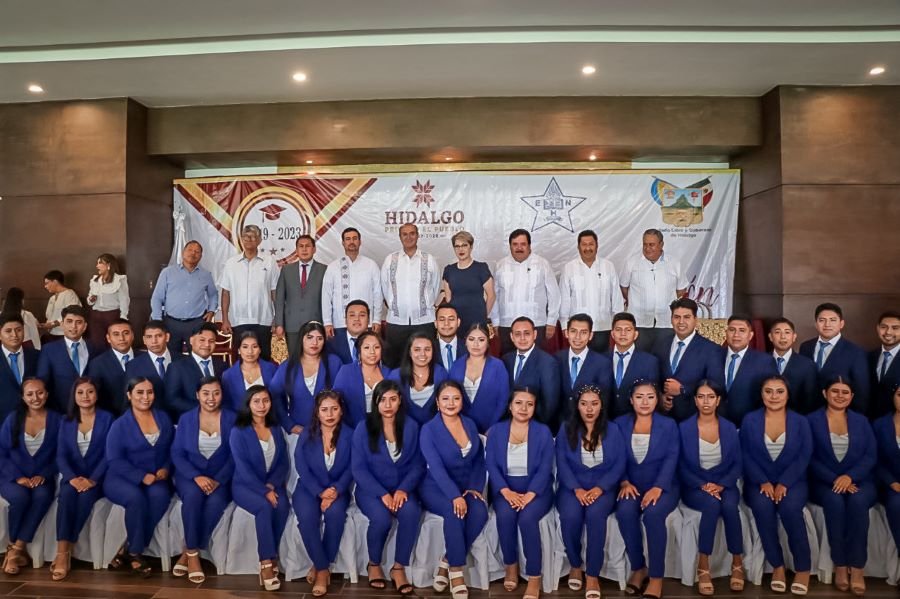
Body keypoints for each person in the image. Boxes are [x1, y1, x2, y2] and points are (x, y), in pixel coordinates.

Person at [740, 376, 812, 595]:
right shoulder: (750, 420)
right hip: (758, 482)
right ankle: (778, 566)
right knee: (763, 508)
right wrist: (762, 481)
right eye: (768, 391)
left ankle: (803, 568)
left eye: (779, 391)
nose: (774, 396)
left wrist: (784, 482)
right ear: (761, 394)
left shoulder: (800, 421)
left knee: (790, 510)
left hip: (792, 482)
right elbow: (744, 454)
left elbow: (804, 455)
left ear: (788, 395)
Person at [351, 380, 424, 595]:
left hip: (402, 488)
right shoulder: (363, 428)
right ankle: (374, 564)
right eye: (382, 400)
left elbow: (418, 464)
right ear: (375, 403)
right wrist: (382, 494)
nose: (388, 404)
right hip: (371, 490)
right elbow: (359, 469)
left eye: (393, 399)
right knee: (381, 519)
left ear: (400, 400)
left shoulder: (411, 426)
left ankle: (398, 567)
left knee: (411, 512)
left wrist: (403, 490)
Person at [419, 380, 488, 599]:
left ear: (462, 401)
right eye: (445, 399)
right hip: (435, 487)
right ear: (437, 403)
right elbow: (436, 468)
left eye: (456, 398)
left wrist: (476, 488)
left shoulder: (469, 423)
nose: (451, 403)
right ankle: (456, 570)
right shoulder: (428, 429)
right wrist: (455, 496)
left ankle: (446, 561)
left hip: (467, 486)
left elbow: (478, 460)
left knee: (479, 511)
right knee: (455, 512)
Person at [807, 376, 876, 595]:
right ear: (824, 393)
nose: (839, 396)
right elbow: (808, 456)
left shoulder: (861, 421)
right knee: (834, 502)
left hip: (859, 482)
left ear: (852, 396)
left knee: (857, 502)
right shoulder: (811, 420)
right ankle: (839, 565)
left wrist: (850, 477)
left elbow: (870, 455)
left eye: (845, 392)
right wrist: (834, 479)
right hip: (823, 482)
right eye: (834, 391)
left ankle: (856, 568)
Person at [556, 385, 625, 599]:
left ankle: (593, 574)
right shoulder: (566, 428)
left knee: (596, 516)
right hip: (572, 486)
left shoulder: (612, 429)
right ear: (577, 405)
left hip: (602, 487)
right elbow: (562, 463)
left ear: (601, 405)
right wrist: (576, 489)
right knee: (570, 516)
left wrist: (600, 488)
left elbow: (619, 463)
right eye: (584, 403)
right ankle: (576, 564)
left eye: (594, 403)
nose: (589, 409)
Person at [678, 380, 744, 595]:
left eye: (711, 397)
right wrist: (702, 484)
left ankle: (737, 562)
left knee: (731, 508)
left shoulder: (728, 427)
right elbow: (680, 465)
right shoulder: (684, 427)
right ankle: (703, 565)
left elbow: (737, 463)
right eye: (701, 397)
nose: (706, 401)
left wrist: (722, 484)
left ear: (718, 400)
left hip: (724, 484)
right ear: (695, 400)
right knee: (711, 505)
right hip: (695, 485)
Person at [614, 381, 680, 599]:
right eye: (639, 397)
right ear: (631, 400)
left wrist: (658, 487)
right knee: (624, 512)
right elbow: (615, 457)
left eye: (650, 397)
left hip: (663, 487)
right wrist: (623, 481)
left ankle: (656, 578)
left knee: (652, 515)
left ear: (658, 399)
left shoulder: (668, 424)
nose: (644, 402)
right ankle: (638, 568)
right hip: (630, 485)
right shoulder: (619, 424)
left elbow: (672, 458)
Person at [104, 377, 175, 577]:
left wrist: (165, 468)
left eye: (150, 392)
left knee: (160, 497)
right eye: (140, 392)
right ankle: (136, 553)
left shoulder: (163, 418)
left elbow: (171, 449)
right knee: (135, 499)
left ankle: (126, 549)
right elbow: (114, 460)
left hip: (156, 478)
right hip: (121, 478)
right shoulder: (119, 425)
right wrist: (141, 476)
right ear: (129, 395)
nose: (146, 397)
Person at [487, 388, 554, 599]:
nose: (523, 408)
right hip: (505, 489)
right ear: (510, 406)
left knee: (526, 519)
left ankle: (534, 577)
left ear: (535, 408)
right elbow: (491, 465)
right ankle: (511, 566)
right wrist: (506, 491)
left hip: (537, 490)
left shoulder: (542, 432)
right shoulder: (496, 431)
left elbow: (545, 469)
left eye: (529, 404)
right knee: (506, 516)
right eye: (518, 403)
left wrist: (530, 494)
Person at [171, 376, 236, 584]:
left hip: (220, 478)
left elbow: (236, 455)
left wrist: (219, 479)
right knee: (192, 497)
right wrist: (196, 476)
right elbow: (177, 454)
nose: (211, 398)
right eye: (206, 393)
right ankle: (193, 554)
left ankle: (189, 552)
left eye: (216, 393)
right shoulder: (186, 419)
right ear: (197, 395)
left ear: (222, 395)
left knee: (216, 503)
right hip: (190, 475)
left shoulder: (232, 418)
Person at [229, 385, 290, 591]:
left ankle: (272, 556)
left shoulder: (275, 428)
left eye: (266, 400)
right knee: (264, 507)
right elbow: (243, 469)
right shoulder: (239, 431)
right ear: (248, 404)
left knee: (282, 506)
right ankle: (266, 562)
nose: (262, 405)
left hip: (271, 482)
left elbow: (282, 462)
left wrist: (272, 485)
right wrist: (265, 491)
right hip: (245, 486)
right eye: (256, 401)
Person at [293, 390, 353, 597]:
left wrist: (335, 490)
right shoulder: (306, 434)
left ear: (341, 411)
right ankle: (323, 568)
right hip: (309, 488)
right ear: (317, 413)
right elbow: (301, 465)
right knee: (307, 519)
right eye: (324, 410)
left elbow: (352, 468)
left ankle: (319, 567)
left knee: (335, 516)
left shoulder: (350, 434)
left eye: (334, 409)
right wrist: (320, 492)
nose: (330, 414)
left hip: (338, 488)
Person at [53, 377, 113, 581]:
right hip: (72, 478)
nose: (85, 396)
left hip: (98, 479)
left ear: (96, 395)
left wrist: (93, 479)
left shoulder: (108, 419)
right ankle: (63, 552)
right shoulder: (66, 420)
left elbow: (109, 454)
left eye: (90, 392)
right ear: (74, 396)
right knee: (67, 497)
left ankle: (64, 551)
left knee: (86, 499)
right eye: (80, 393)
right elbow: (61, 454)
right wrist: (71, 478)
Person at [0, 378, 59, 575]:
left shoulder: (57, 420)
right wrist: (17, 477)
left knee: (42, 497)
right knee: (20, 497)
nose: (36, 398)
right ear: (23, 397)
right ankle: (17, 548)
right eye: (30, 394)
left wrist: (44, 473)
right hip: (12, 476)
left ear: (47, 394)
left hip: (43, 476)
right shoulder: (13, 419)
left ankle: (15, 549)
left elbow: (63, 453)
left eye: (40, 393)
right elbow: (2, 453)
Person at [652, 298, 724, 422]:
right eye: (676, 317)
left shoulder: (711, 349)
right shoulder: (660, 345)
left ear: (695, 320)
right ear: (671, 319)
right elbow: (654, 377)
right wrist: (660, 397)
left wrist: (683, 389)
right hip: (664, 418)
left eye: (686, 317)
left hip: (694, 419)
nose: (681, 322)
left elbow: (717, 386)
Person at [380, 223, 441, 368]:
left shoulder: (429, 259)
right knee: (395, 364)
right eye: (404, 234)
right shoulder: (390, 260)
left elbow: (436, 288)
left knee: (425, 363)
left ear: (418, 235)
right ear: (400, 237)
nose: (409, 237)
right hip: (396, 323)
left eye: (412, 233)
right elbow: (384, 288)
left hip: (424, 321)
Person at [492, 229, 561, 355]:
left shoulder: (542, 264)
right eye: (515, 244)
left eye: (523, 244)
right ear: (510, 246)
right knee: (509, 362)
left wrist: (551, 322)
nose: (519, 248)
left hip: (536, 325)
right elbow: (494, 296)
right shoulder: (500, 265)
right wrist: (495, 322)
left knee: (536, 362)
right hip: (507, 325)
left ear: (529, 245)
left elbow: (554, 295)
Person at [619, 229, 688, 352]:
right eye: (645, 244)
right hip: (639, 322)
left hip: (666, 322)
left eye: (651, 245)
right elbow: (624, 287)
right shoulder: (632, 262)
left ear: (661, 245)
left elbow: (681, 290)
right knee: (640, 360)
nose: (647, 248)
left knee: (664, 359)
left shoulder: (674, 263)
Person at [220, 225, 280, 362]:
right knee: (241, 360)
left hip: (263, 320)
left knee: (263, 358)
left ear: (259, 240)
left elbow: (274, 291)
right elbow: (225, 292)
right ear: (241, 239)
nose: (249, 240)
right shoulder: (231, 263)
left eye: (253, 237)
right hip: (238, 320)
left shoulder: (269, 262)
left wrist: (277, 317)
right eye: (246, 237)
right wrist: (225, 319)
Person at [269, 322, 341, 434]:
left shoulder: (334, 362)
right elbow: (274, 396)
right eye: (309, 337)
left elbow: (344, 395)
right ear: (301, 339)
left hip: (331, 431)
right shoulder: (288, 366)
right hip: (298, 431)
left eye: (320, 338)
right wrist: (290, 425)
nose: (315, 343)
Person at [558, 230, 624, 352]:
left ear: (597, 246)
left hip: (603, 327)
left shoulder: (608, 266)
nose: (588, 248)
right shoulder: (569, 268)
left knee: (602, 363)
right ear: (578, 247)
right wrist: (564, 324)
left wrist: (618, 324)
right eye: (584, 244)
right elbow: (565, 298)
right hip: (578, 330)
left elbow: (616, 297)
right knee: (579, 364)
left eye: (591, 244)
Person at [799, 303, 870, 414]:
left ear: (841, 323)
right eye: (822, 320)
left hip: (840, 416)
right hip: (807, 414)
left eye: (832, 320)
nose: (827, 324)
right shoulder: (806, 347)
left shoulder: (855, 352)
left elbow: (861, 392)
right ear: (816, 324)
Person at [150, 241, 219, 356]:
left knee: (197, 356)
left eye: (197, 252)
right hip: (171, 322)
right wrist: (158, 320)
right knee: (171, 356)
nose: (193, 253)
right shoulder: (168, 272)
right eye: (190, 250)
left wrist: (212, 310)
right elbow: (157, 297)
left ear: (201, 256)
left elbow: (213, 294)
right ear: (183, 253)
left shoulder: (206, 275)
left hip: (196, 323)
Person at [321, 227, 383, 339]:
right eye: (348, 239)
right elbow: (326, 296)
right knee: (342, 355)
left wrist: (377, 319)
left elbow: (378, 294)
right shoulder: (333, 267)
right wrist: (327, 322)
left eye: (355, 238)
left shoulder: (371, 265)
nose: (351, 242)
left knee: (365, 355)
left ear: (360, 242)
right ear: (343, 243)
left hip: (366, 324)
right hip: (340, 323)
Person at [449, 323, 509, 434]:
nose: (476, 344)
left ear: (487, 342)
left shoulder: (498, 366)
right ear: (465, 341)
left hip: (492, 427)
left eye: (481, 340)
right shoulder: (456, 365)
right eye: (471, 339)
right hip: (461, 428)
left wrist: (493, 426)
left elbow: (503, 400)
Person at [502, 317, 561, 430]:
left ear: (535, 334)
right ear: (511, 337)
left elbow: (549, 405)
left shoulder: (547, 362)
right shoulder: (506, 360)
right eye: (518, 334)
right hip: (508, 426)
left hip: (536, 428)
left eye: (527, 333)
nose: (522, 338)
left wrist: (529, 428)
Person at [37, 305, 98, 412]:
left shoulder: (95, 348)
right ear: (62, 324)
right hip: (59, 411)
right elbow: (42, 382)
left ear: (85, 326)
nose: (73, 326)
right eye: (69, 321)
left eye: (78, 322)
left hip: (89, 411)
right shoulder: (49, 350)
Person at [274, 235, 326, 359]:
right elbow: (280, 299)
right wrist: (279, 324)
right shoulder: (286, 270)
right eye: (301, 246)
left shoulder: (324, 270)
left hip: (315, 324)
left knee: (315, 359)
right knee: (294, 360)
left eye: (307, 246)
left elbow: (328, 300)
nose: (304, 249)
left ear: (314, 249)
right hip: (292, 325)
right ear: (296, 250)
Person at [721, 314, 777, 425]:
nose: (736, 335)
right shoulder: (714, 356)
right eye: (732, 330)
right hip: (716, 424)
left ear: (750, 335)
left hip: (749, 424)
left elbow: (769, 396)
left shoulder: (764, 361)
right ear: (726, 333)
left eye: (742, 330)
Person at [555, 314, 613, 419]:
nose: (578, 337)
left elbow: (604, 399)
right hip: (558, 424)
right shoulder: (556, 359)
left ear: (590, 335)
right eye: (573, 331)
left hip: (589, 423)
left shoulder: (602, 363)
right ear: (566, 333)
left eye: (583, 332)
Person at [164, 323, 227, 418]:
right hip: (191, 420)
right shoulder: (177, 367)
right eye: (202, 340)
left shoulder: (222, 365)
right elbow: (172, 400)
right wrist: (204, 410)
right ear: (191, 340)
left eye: (211, 341)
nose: (207, 344)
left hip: (220, 421)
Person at [388, 331, 449, 424]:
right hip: (404, 430)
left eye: (427, 349)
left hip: (434, 430)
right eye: (417, 349)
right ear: (409, 352)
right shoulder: (395, 376)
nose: (422, 354)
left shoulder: (441, 374)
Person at [439, 231, 495, 333]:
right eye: (457, 246)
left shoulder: (481, 268)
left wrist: (482, 315)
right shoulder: (449, 270)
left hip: (477, 322)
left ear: (471, 246)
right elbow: (449, 298)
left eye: (464, 245)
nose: (461, 249)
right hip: (456, 322)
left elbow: (491, 296)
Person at [606, 312, 659, 419]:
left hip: (635, 420)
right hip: (606, 421)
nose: (623, 334)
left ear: (635, 334)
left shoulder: (649, 362)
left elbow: (652, 395)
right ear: (612, 334)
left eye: (628, 330)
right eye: (618, 330)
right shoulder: (601, 359)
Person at [333, 331, 390, 426]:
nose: (372, 352)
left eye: (376, 347)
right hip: (353, 426)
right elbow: (335, 401)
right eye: (367, 347)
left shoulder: (389, 373)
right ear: (359, 351)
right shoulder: (346, 371)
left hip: (383, 425)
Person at [873, 384, 900, 582]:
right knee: (896, 504)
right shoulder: (880, 424)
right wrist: (891, 482)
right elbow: (875, 460)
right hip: (889, 485)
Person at [125, 320, 181, 408]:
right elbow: (130, 399)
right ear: (144, 340)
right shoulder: (132, 366)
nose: (154, 341)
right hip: (150, 417)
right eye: (149, 337)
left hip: (181, 416)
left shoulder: (183, 360)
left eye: (158, 336)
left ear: (167, 337)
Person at [768, 318, 818, 414]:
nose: (783, 337)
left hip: (796, 420)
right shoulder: (760, 361)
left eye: (787, 332)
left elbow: (810, 401)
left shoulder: (807, 365)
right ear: (770, 336)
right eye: (777, 332)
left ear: (794, 337)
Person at [85, 318, 135, 415]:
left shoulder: (145, 358)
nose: (121, 338)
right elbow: (95, 396)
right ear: (108, 338)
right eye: (116, 334)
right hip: (110, 419)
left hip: (144, 419)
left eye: (126, 333)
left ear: (132, 335)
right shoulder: (97, 364)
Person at [222, 331, 278, 414]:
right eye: (245, 347)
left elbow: (279, 399)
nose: (250, 351)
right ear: (239, 350)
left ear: (260, 350)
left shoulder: (272, 369)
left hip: (269, 420)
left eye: (254, 347)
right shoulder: (228, 375)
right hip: (240, 422)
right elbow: (227, 406)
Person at [0, 314, 40, 423]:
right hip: (3, 420)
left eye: (18, 330)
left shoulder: (37, 356)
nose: (14, 335)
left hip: (33, 421)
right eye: (8, 331)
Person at [86, 253, 130, 349]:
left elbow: (124, 300)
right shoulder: (94, 280)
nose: (97, 266)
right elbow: (89, 300)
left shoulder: (119, 280)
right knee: (97, 343)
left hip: (112, 315)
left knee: (114, 343)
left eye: (100, 263)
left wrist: (123, 318)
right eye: (97, 263)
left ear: (109, 265)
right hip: (96, 316)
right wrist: (91, 299)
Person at [871, 311, 900, 418]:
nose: (888, 332)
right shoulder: (869, 356)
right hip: (870, 422)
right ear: (878, 328)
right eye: (884, 327)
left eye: (895, 328)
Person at [39, 270, 82, 342]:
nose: (45, 286)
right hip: (51, 334)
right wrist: (45, 325)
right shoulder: (52, 298)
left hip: (64, 334)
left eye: (47, 283)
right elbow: (49, 316)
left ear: (55, 281)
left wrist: (53, 324)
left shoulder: (69, 294)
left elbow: (72, 313)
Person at [325, 299, 370, 365]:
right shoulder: (332, 344)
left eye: (362, 315)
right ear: (345, 320)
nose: (357, 319)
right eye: (352, 315)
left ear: (368, 320)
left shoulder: (378, 343)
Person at [435, 303, 467, 372]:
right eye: (442, 319)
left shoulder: (468, 347)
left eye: (451, 319)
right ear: (435, 324)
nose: (446, 323)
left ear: (458, 322)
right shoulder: (429, 349)